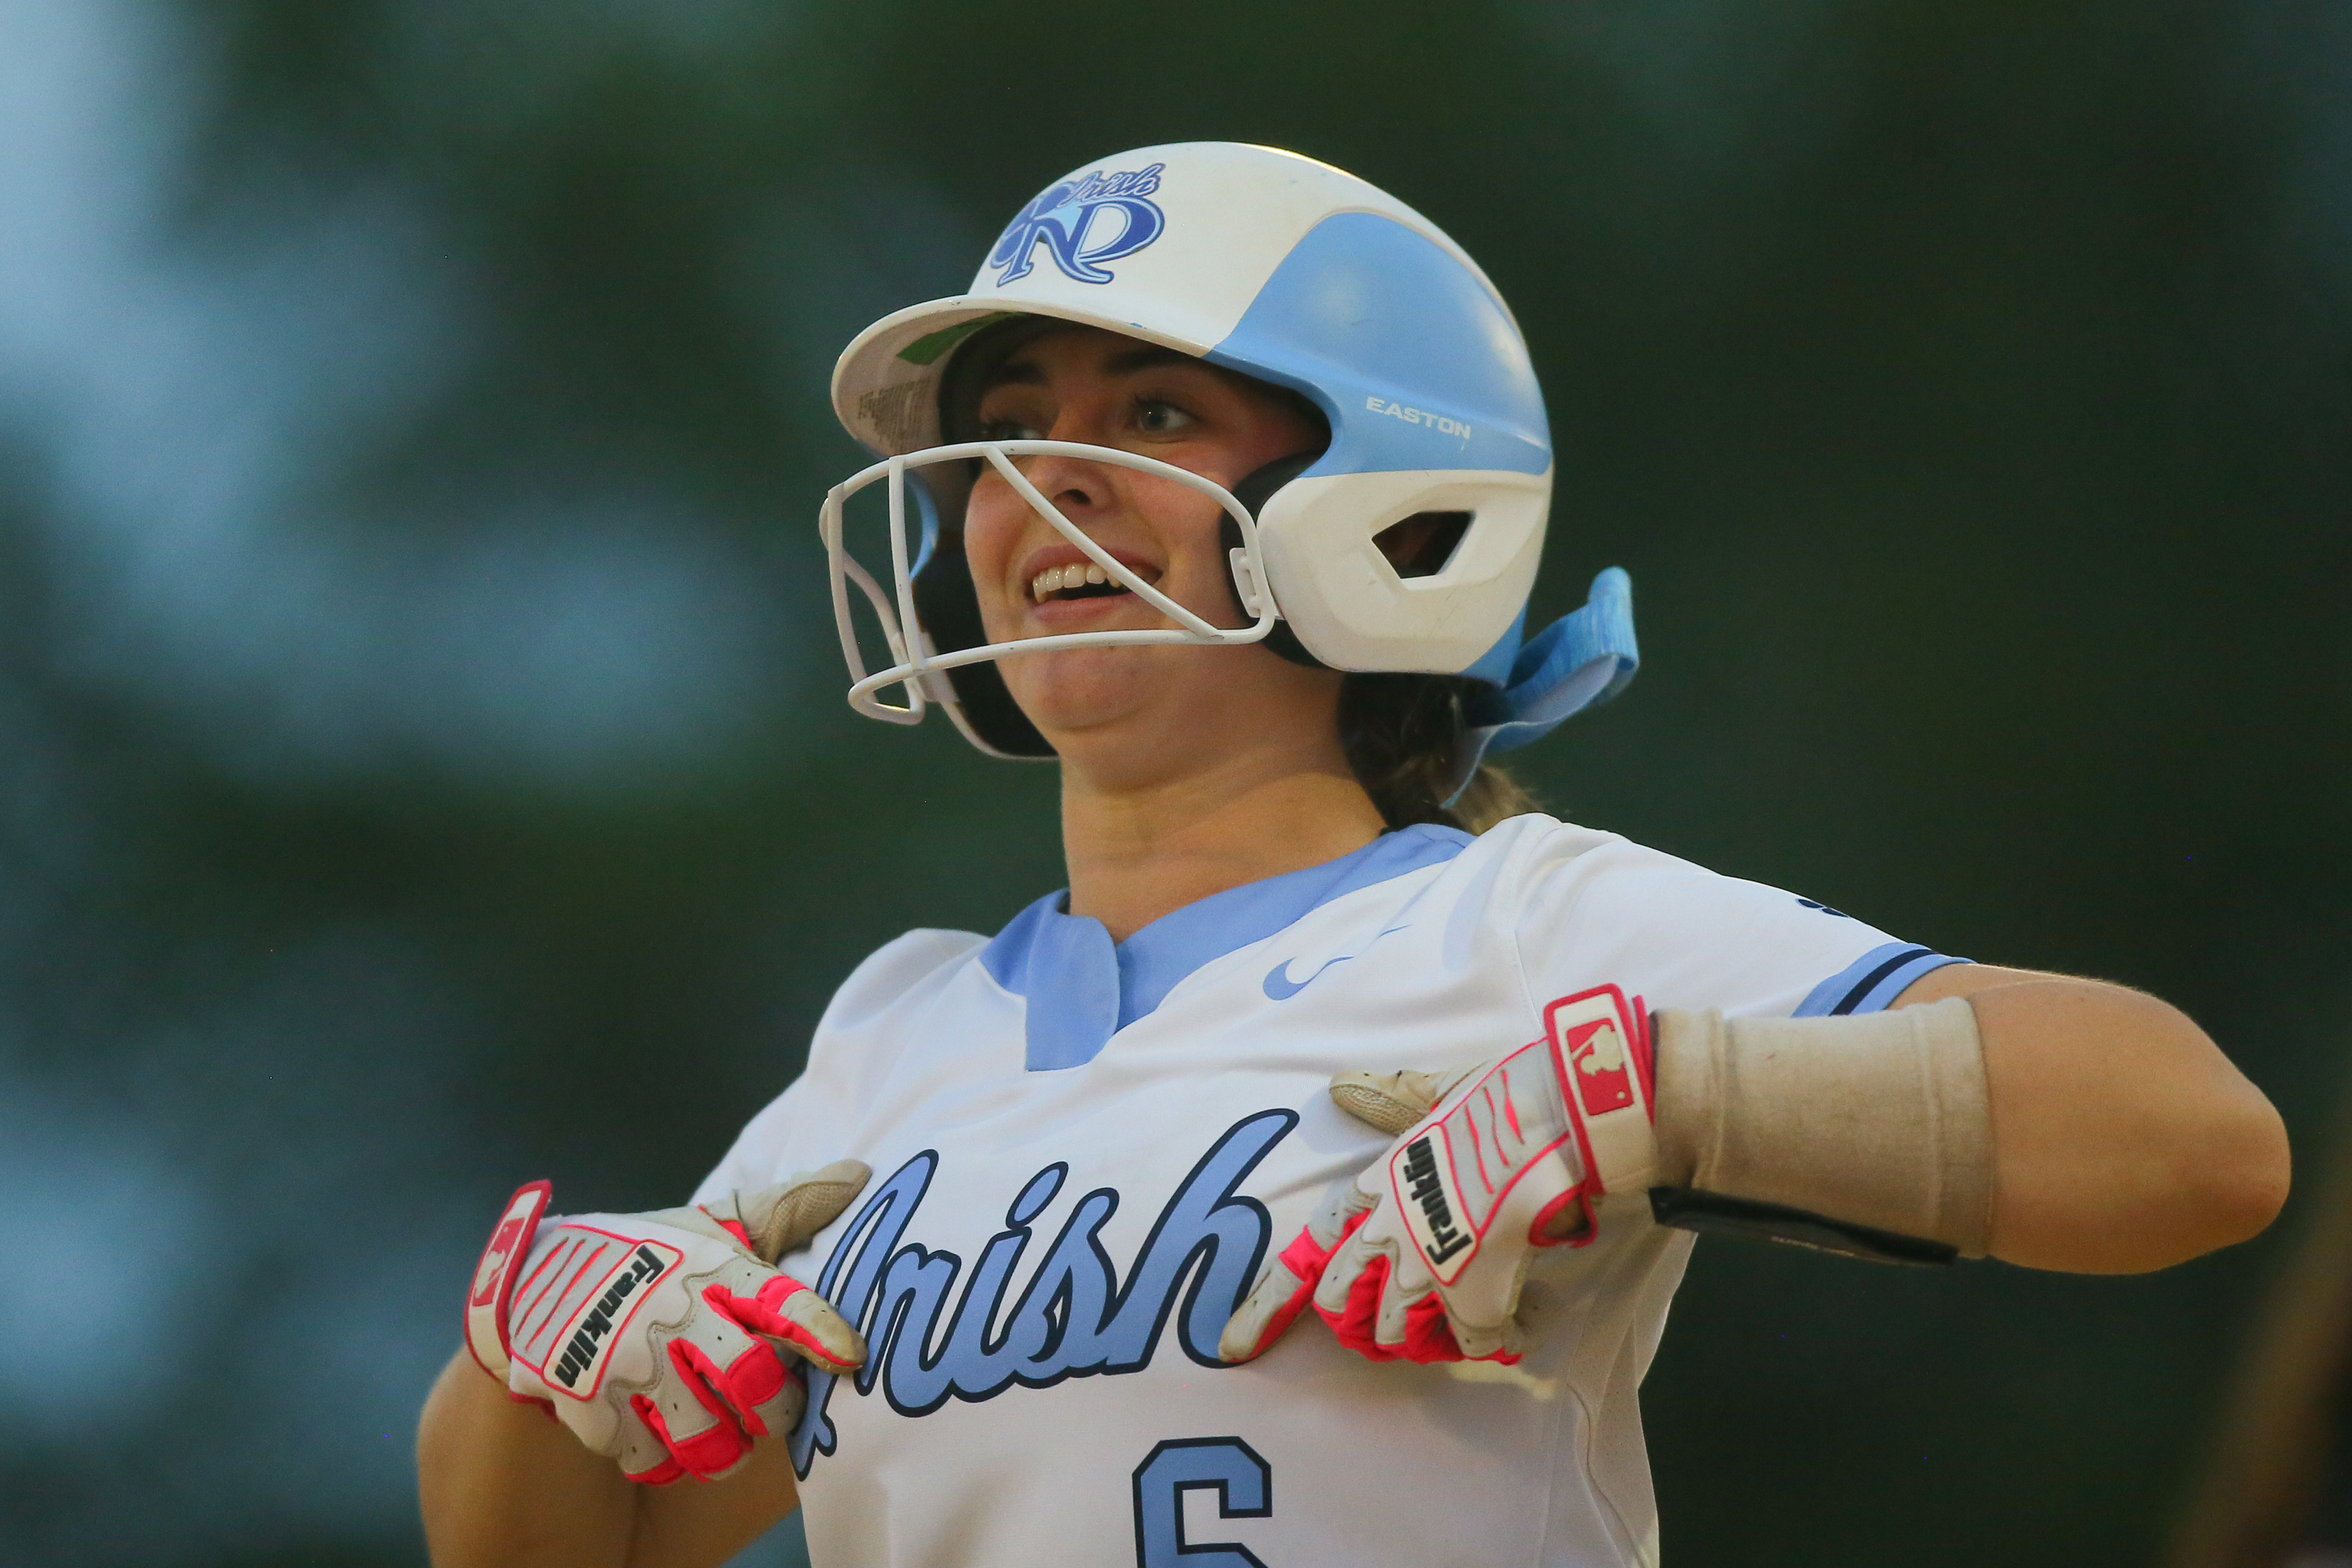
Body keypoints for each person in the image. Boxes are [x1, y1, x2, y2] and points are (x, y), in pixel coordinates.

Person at [415, 142, 2292, 1568]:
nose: (1045, 480)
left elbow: (2201, 1143)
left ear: (1387, 501)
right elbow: (563, 1545)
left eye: (1152, 413)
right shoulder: (893, 1037)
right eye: (1009, 429)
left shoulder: (1527, 920)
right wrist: (538, 1350)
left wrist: (1675, 1101)